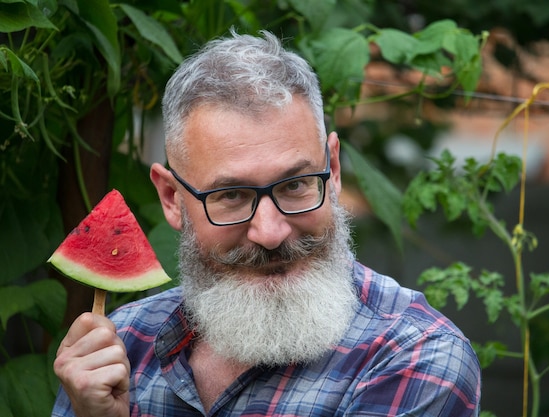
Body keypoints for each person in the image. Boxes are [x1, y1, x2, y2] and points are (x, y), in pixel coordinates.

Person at [52, 29, 481, 417]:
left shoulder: (416, 356)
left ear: (332, 170)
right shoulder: (117, 347)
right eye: (231, 195)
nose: (271, 232)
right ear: (172, 198)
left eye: (295, 185)